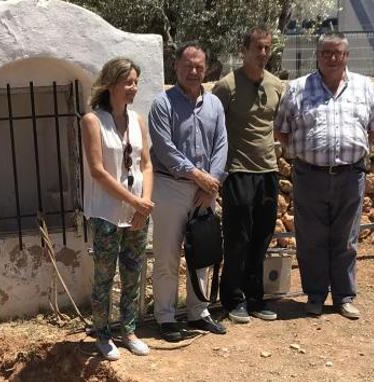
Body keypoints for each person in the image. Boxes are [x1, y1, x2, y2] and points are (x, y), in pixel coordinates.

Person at [274, 32, 374, 320]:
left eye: (338, 53)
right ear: (318, 55)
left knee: (346, 238)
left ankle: (344, 297)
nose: (332, 58)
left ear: (347, 56)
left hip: (351, 175)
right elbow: (281, 129)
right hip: (309, 175)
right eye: (326, 52)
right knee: (311, 238)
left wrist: (353, 149)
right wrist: (307, 153)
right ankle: (314, 296)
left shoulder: (364, 86)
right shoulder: (297, 88)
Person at [148, 43, 229, 342]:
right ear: (176, 67)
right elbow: (165, 149)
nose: (193, 71)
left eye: (199, 66)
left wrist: (212, 185)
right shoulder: (162, 104)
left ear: (206, 68)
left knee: (203, 253)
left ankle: (198, 312)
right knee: (167, 256)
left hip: (205, 192)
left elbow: (221, 146)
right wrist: (198, 176)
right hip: (170, 187)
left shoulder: (215, 105)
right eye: (188, 65)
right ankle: (166, 317)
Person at [81, 57, 155, 360]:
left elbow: (147, 165)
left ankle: (129, 330)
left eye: (136, 82)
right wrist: (133, 201)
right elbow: (98, 171)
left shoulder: (138, 120)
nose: (133, 88)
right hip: (106, 213)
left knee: (133, 271)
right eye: (128, 82)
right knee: (104, 275)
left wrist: (144, 206)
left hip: (137, 211)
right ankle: (102, 333)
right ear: (111, 84)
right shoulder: (92, 120)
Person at [213, 27, 286, 324]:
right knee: (237, 239)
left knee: (261, 237)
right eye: (258, 47)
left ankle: (256, 298)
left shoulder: (277, 85)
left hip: (268, 171)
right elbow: (213, 128)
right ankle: (232, 299)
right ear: (244, 50)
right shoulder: (226, 86)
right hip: (238, 172)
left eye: (267, 48)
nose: (263, 53)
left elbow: (281, 125)